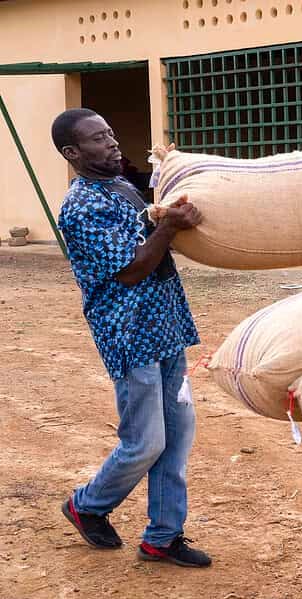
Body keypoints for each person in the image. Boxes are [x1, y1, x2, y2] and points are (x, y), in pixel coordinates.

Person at [51, 108, 211, 568]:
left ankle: (162, 537)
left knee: (177, 437)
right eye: (99, 139)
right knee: (145, 442)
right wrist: (168, 226)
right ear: (73, 153)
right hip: (129, 334)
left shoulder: (121, 187)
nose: (113, 143)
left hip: (164, 326)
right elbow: (131, 268)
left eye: (111, 132)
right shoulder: (82, 205)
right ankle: (87, 505)